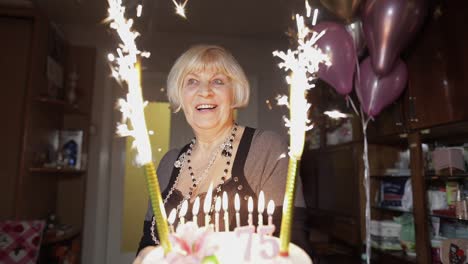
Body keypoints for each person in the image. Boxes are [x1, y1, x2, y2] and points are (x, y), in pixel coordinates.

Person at [134, 45, 312, 263]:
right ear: (180, 95)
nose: (205, 91)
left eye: (218, 81)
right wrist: (144, 255)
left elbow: (293, 246)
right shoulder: (168, 164)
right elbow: (148, 243)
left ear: (234, 92)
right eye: (192, 81)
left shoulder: (266, 148)